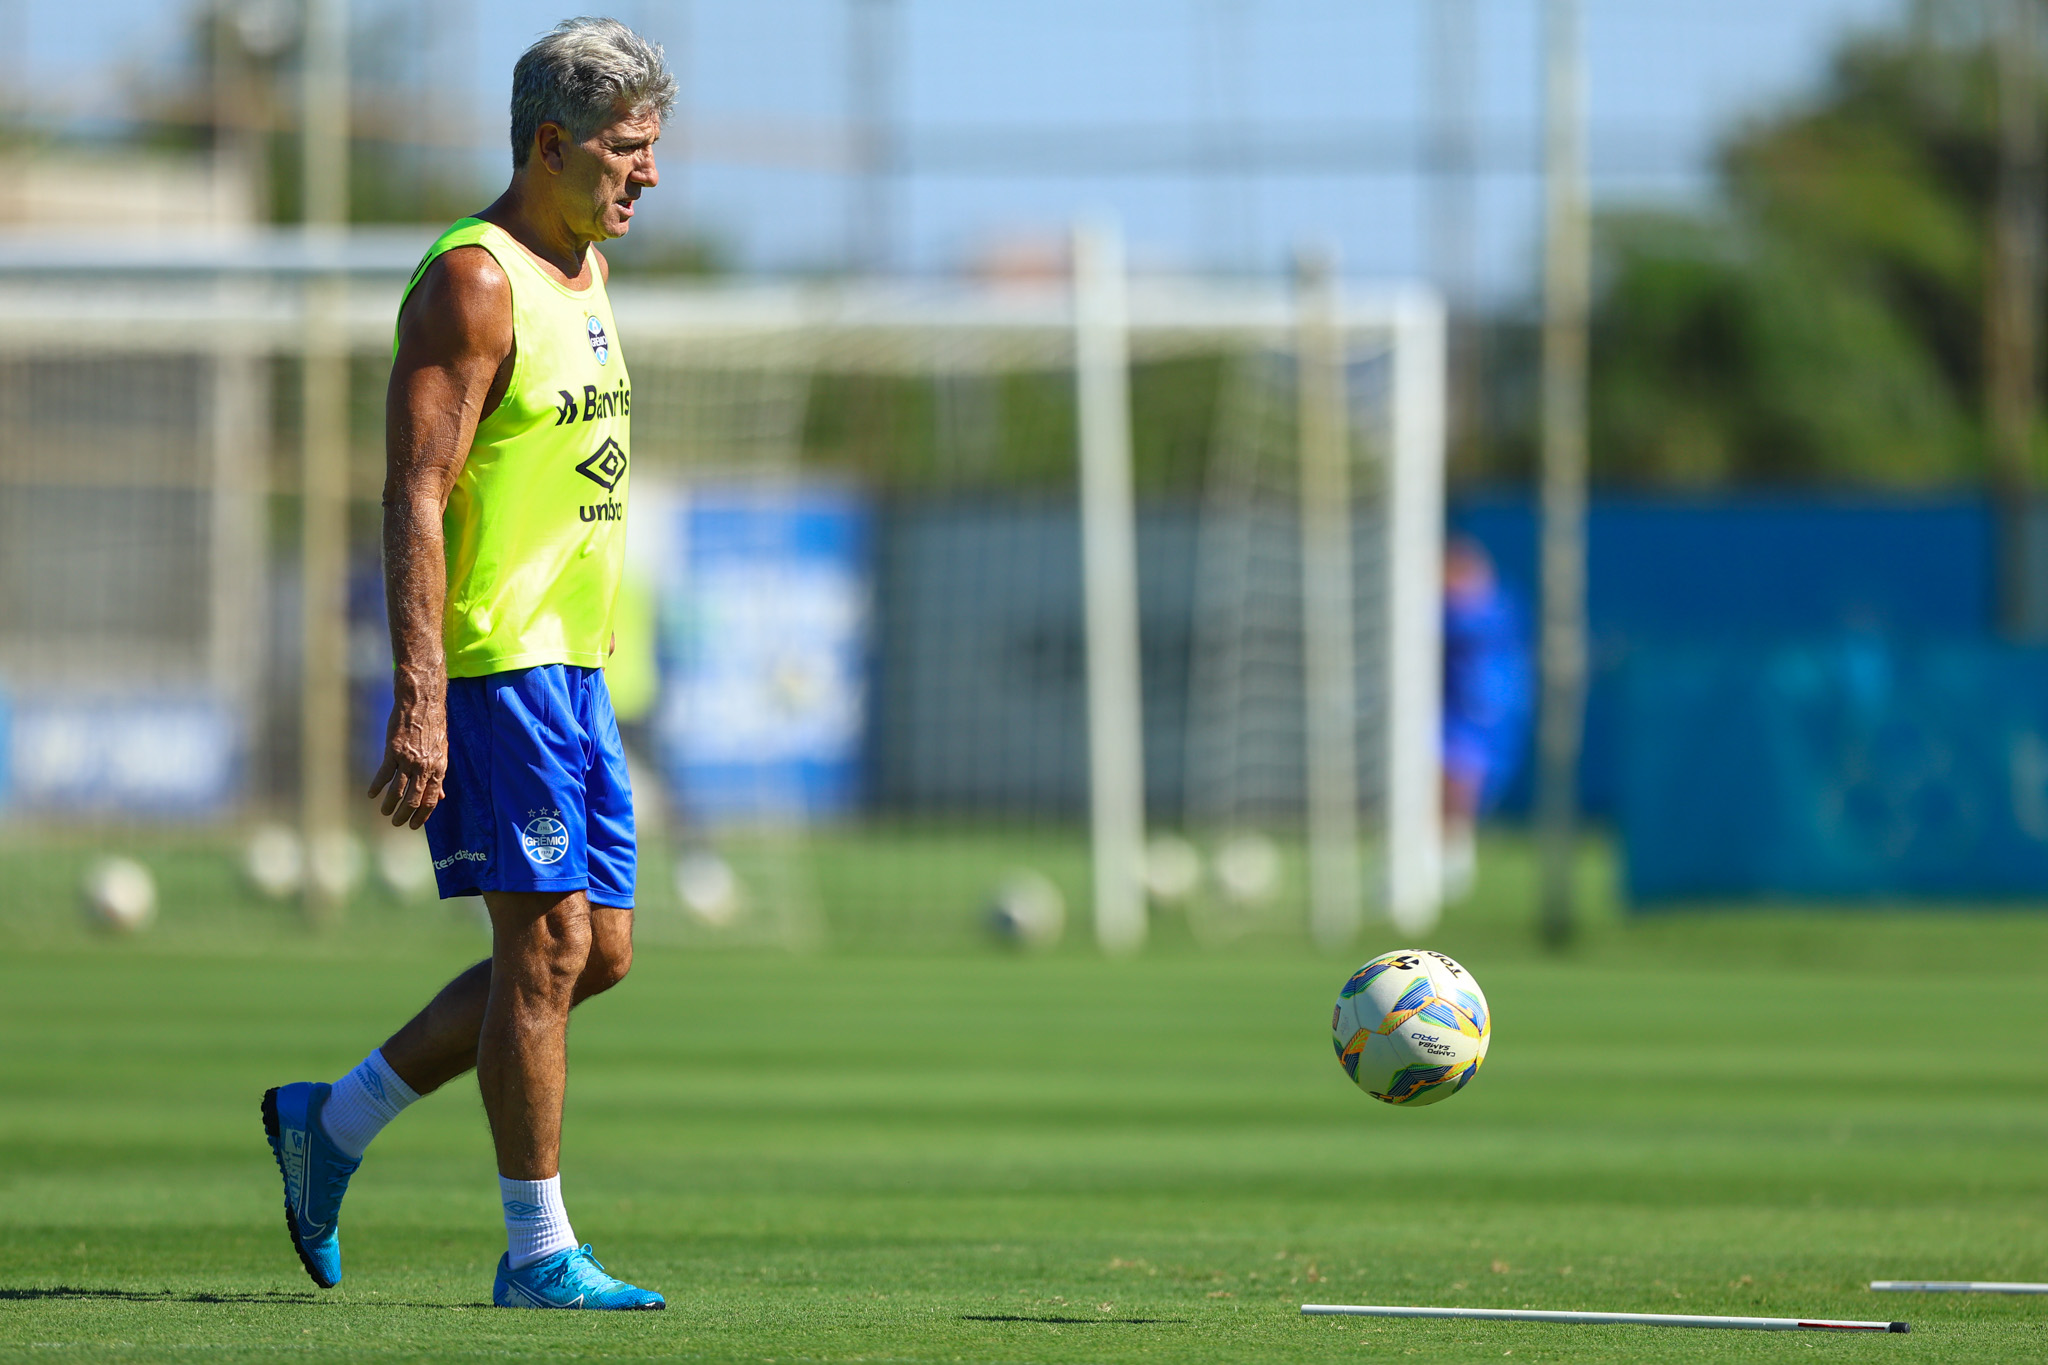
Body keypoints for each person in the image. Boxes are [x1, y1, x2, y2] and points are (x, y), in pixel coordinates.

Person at [261, 18, 674, 1311]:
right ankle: (536, 1252)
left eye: (655, 148)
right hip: (498, 670)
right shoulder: (475, 282)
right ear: (549, 145)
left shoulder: (583, 267)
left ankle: (331, 1123)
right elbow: (415, 491)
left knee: (593, 953)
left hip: (575, 671)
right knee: (546, 944)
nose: (648, 175)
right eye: (625, 149)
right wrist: (421, 697)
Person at [1441, 536, 1533, 902]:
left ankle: (1454, 861)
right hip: (1457, 709)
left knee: (1462, 774)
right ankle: (1440, 857)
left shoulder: (1491, 609)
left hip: (1482, 711)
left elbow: (1461, 625)